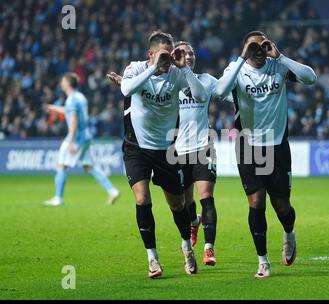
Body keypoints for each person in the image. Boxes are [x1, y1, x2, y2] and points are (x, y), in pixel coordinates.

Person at [107, 41, 233, 267]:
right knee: (177, 203)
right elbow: (135, 91)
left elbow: (209, 95)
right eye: (182, 52)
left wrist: (183, 67)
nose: (187, 56)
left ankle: (207, 249)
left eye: (190, 53)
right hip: (173, 148)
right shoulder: (150, 72)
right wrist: (134, 77)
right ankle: (155, 256)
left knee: (205, 198)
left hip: (201, 145)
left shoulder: (189, 78)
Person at [216, 31, 317, 278]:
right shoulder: (236, 69)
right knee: (256, 201)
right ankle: (263, 261)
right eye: (253, 46)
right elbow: (219, 92)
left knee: (282, 206)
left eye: (262, 46)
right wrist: (241, 58)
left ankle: (289, 232)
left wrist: (279, 56)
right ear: (245, 48)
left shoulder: (278, 67)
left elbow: (310, 78)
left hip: (277, 146)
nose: (258, 51)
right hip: (248, 145)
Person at [120, 31, 207, 278]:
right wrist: (153, 67)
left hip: (165, 148)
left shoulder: (177, 74)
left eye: (171, 55)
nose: (169, 60)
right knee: (142, 199)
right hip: (136, 146)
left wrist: (184, 69)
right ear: (151, 54)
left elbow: (201, 96)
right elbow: (126, 90)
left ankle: (186, 247)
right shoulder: (136, 69)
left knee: (177, 204)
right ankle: (153, 259)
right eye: (164, 55)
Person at [43, 72, 120, 206]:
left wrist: (71, 142)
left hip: (76, 137)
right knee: (88, 166)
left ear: (67, 83)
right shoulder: (80, 97)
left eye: (63, 81)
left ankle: (58, 198)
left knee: (61, 164)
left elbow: (73, 120)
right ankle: (112, 190)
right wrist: (54, 108)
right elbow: (69, 111)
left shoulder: (71, 99)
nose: (61, 83)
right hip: (86, 135)